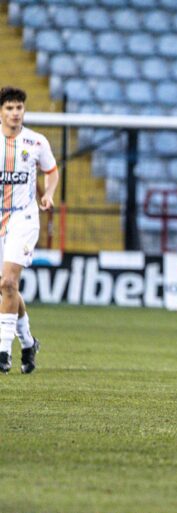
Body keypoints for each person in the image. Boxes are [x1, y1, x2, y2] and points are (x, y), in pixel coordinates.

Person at [0, 86, 58, 374]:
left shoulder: (36, 142)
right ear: (1, 112)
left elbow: (52, 171)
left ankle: (2, 352)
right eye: (9, 108)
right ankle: (28, 342)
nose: (15, 113)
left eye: (19, 108)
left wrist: (47, 194)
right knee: (6, 286)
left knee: (9, 283)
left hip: (23, 219)